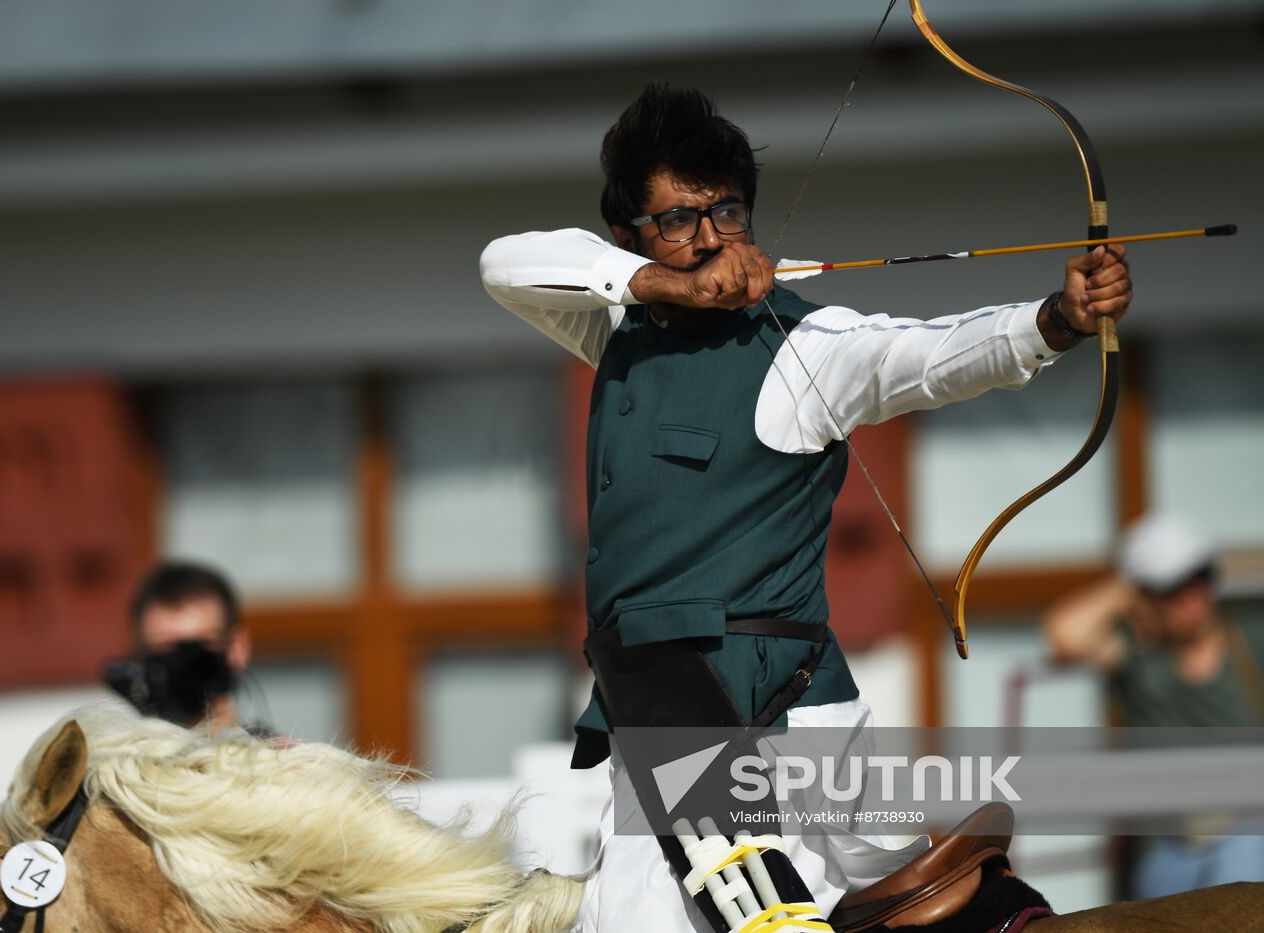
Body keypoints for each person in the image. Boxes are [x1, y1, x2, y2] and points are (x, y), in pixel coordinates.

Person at [480, 84, 1132, 932]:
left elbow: (923, 356)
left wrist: (1055, 321)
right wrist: (650, 284)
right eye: (680, 219)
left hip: (777, 727)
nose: (711, 236)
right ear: (628, 236)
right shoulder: (615, 330)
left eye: (729, 212)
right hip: (663, 705)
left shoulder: (805, 347)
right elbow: (505, 262)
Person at [1044, 514, 1264, 898]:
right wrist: (1128, 587)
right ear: (1147, 596)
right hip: (1168, 848)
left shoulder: (1250, 641)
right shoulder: (1140, 657)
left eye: (1201, 577)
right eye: (1174, 586)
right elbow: (1065, 633)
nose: (1192, 596)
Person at [105, 560, 252, 731]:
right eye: (161, 652)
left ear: (237, 648)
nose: (178, 667)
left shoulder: (277, 755)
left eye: (195, 650)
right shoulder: (113, 755)